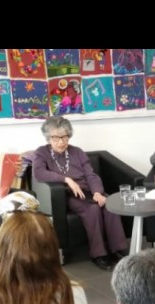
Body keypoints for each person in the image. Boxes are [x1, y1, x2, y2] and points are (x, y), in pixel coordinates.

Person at [32, 116, 128, 271]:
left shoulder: (77, 152)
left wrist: (98, 192)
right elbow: (39, 173)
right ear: (48, 138)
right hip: (67, 194)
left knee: (109, 204)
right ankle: (99, 254)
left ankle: (117, 250)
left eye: (64, 137)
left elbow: (91, 175)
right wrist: (66, 179)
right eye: (56, 138)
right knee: (92, 210)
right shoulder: (42, 153)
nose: (61, 142)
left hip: (88, 190)